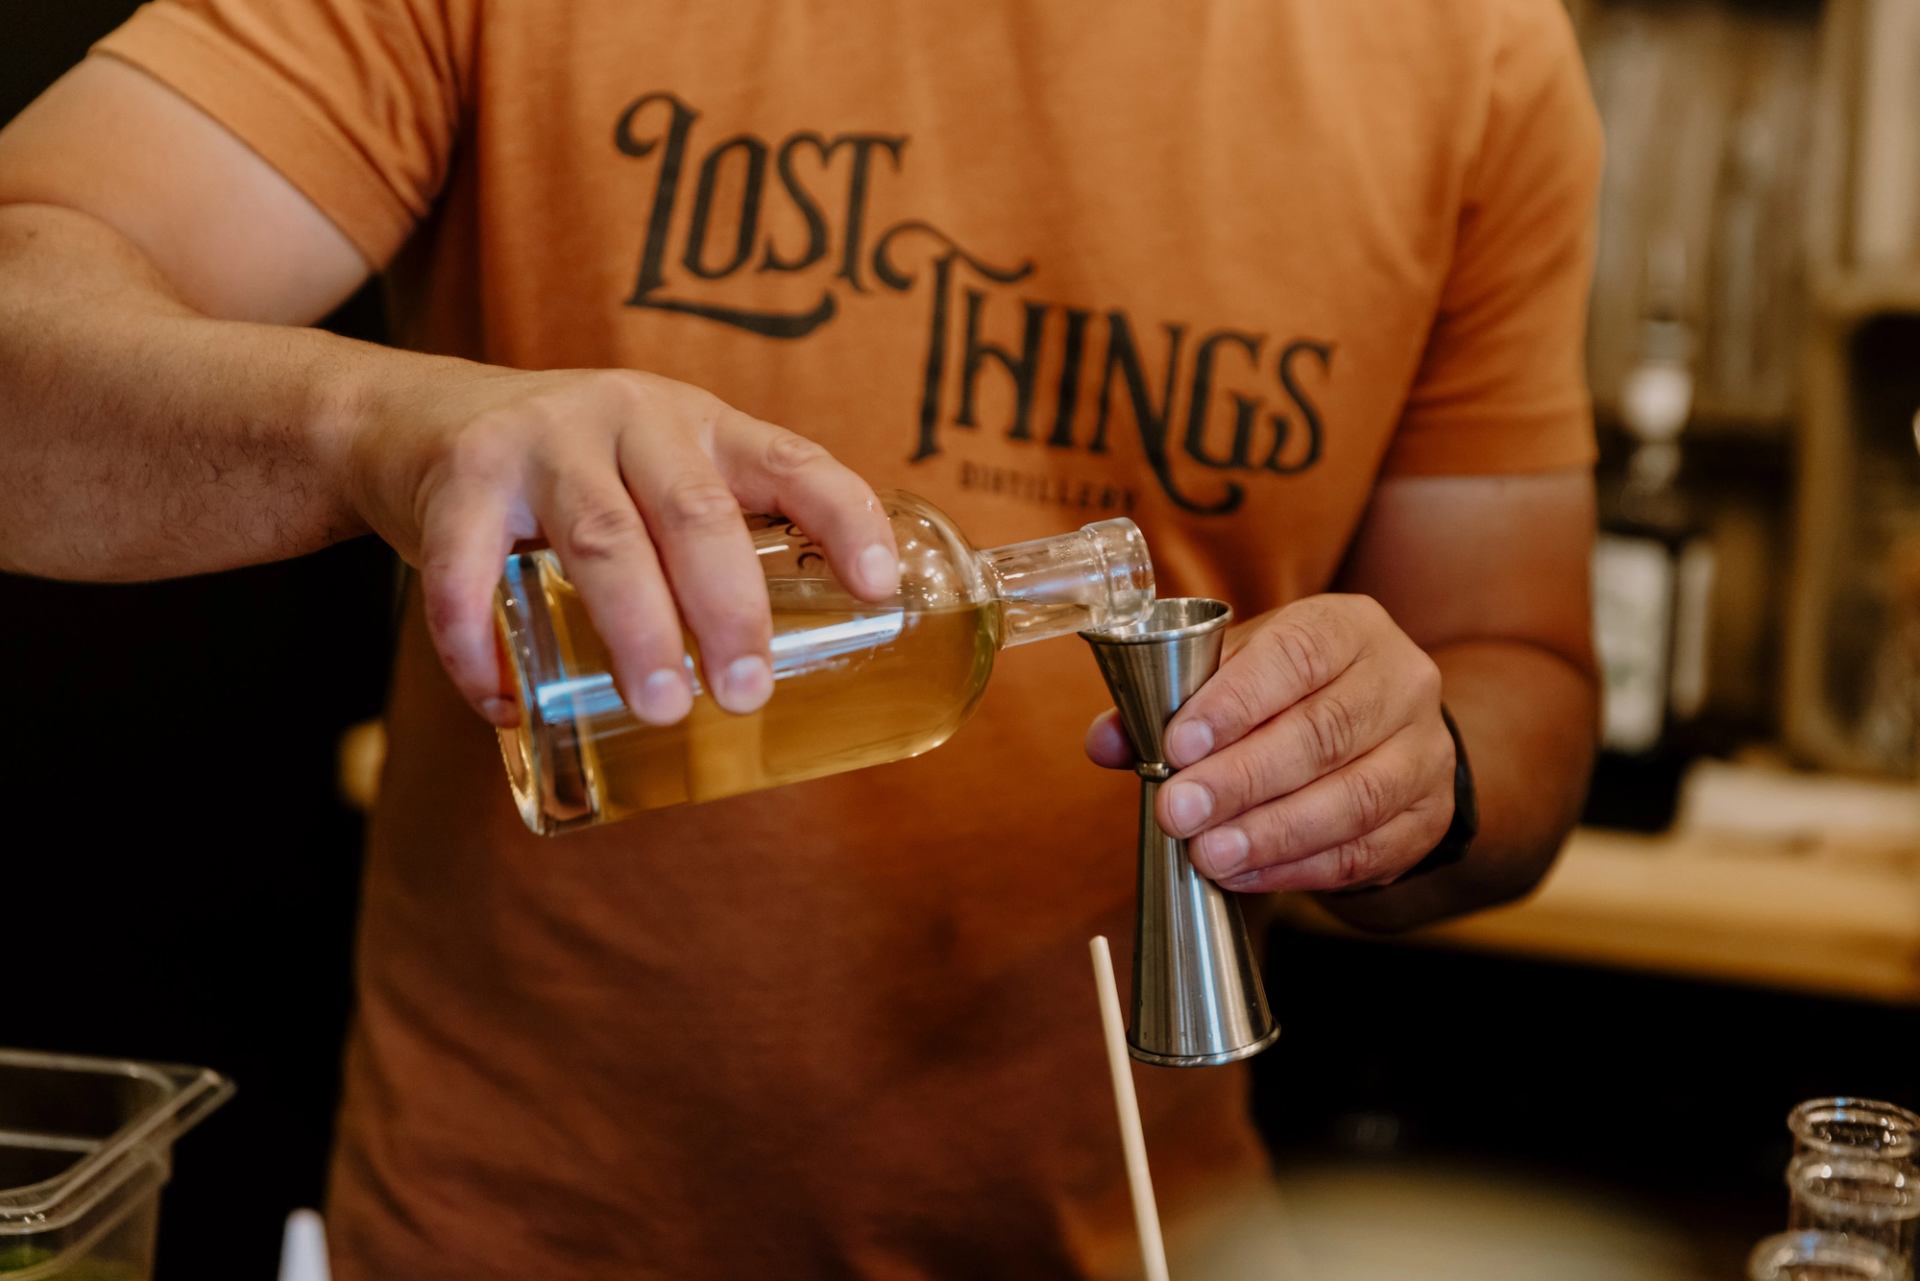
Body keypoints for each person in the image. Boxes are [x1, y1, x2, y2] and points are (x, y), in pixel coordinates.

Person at [0, 1, 1602, 1276]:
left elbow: (1520, 678)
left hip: (1128, 1238)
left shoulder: (1468, 46)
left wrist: (1416, 768)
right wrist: (383, 426)